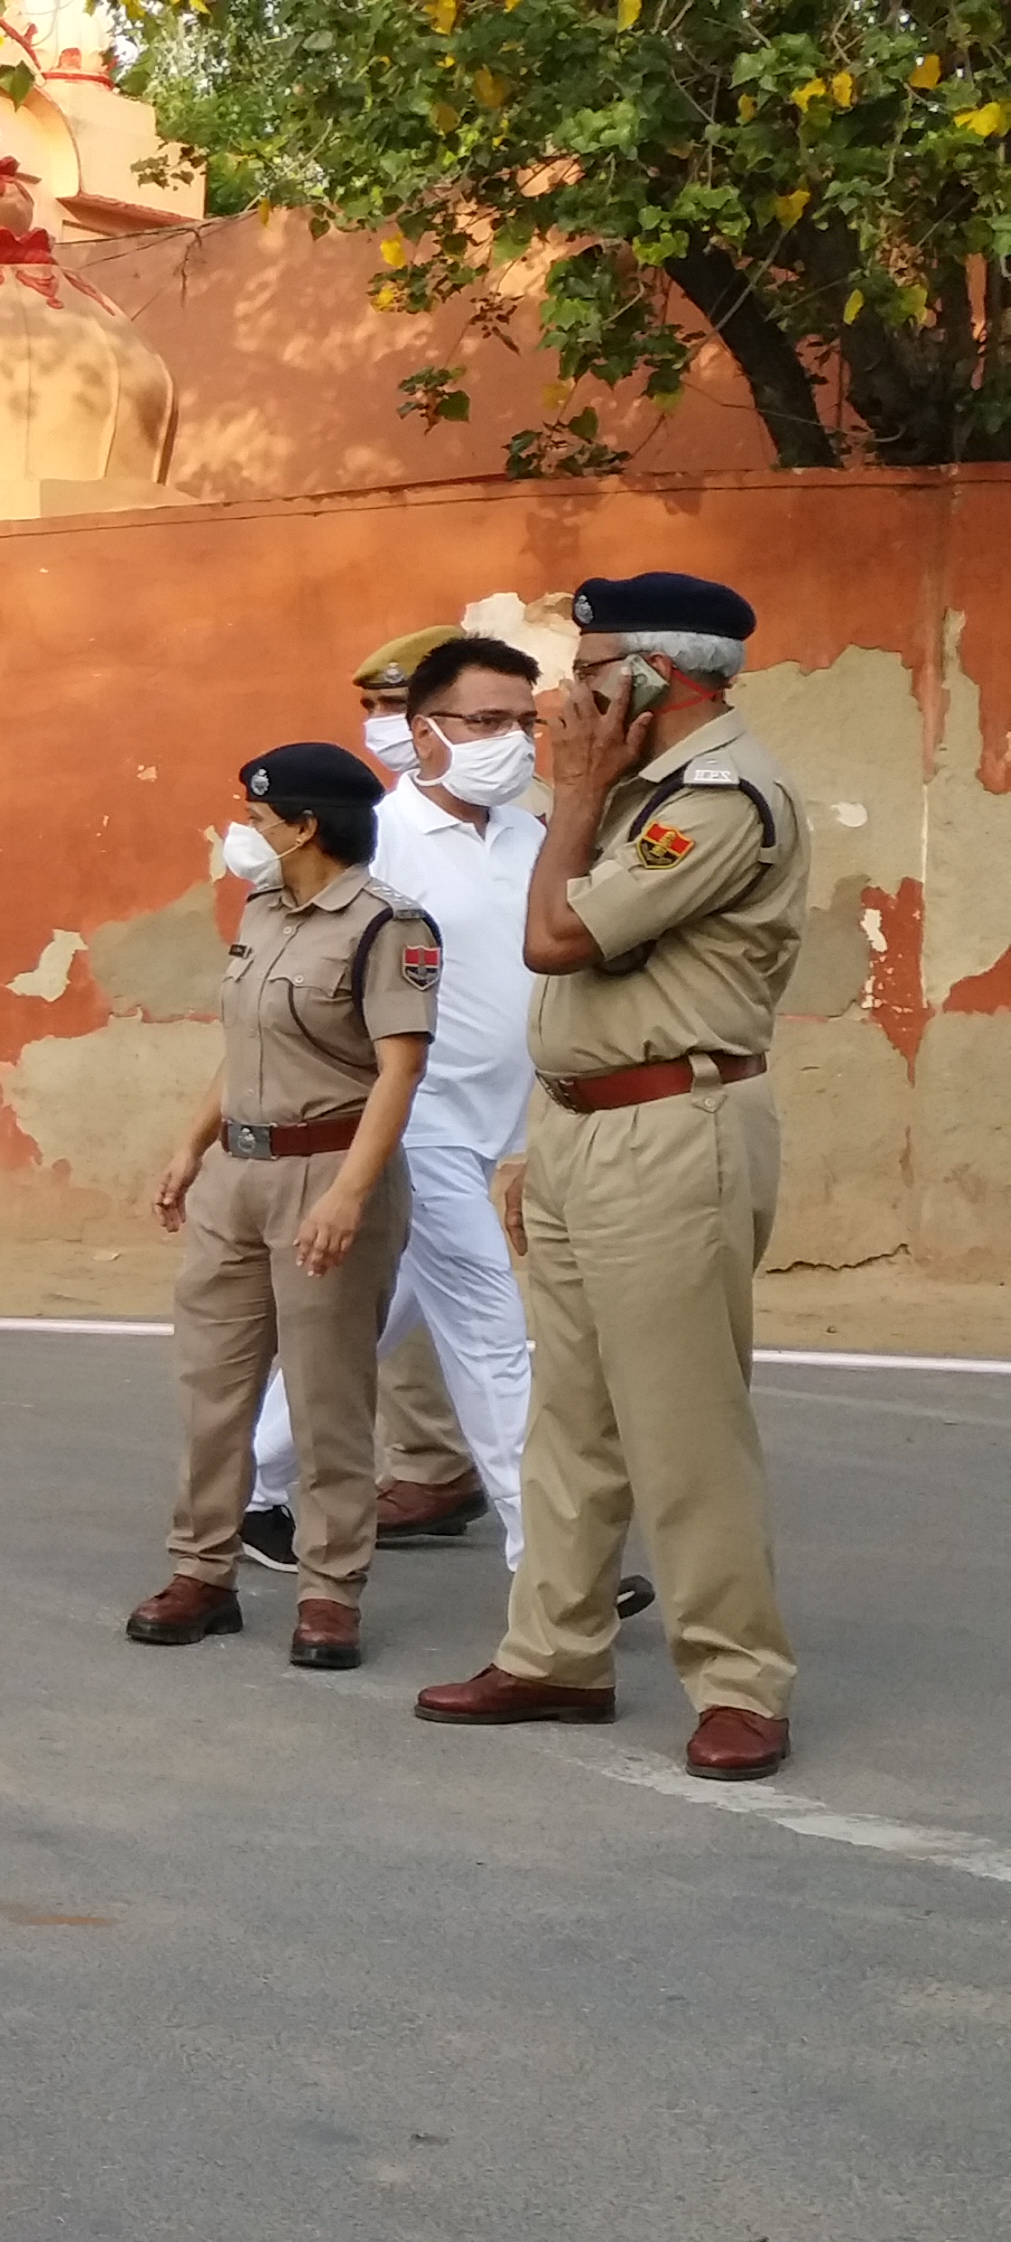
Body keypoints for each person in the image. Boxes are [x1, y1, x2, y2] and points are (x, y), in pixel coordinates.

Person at [417, 572, 807, 1780]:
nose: (561, 699)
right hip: (589, 1124)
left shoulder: (723, 798)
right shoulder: (639, 796)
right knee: (569, 1416)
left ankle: (738, 1679)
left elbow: (559, 940)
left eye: (588, 670)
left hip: (674, 1125)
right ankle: (556, 1654)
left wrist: (575, 795)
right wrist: (546, 1134)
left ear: (658, 675)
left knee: (682, 1422)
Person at [126, 744, 439, 1669]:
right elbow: (246, 1045)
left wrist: (348, 1194)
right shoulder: (264, 911)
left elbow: (401, 1069)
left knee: (327, 1394)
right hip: (240, 1174)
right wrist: (191, 1147)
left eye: (259, 818)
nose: (244, 833)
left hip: (329, 1172)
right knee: (212, 1387)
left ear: (306, 826)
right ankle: (201, 1571)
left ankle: (330, 1589)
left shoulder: (389, 926)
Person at [238, 637, 542, 1575]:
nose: (515, 742)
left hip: (505, 1124)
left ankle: (251, 1487)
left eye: (526, 722)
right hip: (416, 1123)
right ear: (425, 732)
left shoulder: (538, 836)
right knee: (493, 1330)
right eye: (488, 722)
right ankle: (552, 1561)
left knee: (380, 1318)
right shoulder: (378, 840)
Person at [353, 623, 457, 782]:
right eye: (370, 706)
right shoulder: (385, 807)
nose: (377, 719)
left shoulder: (503, 795)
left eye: (396, 703)